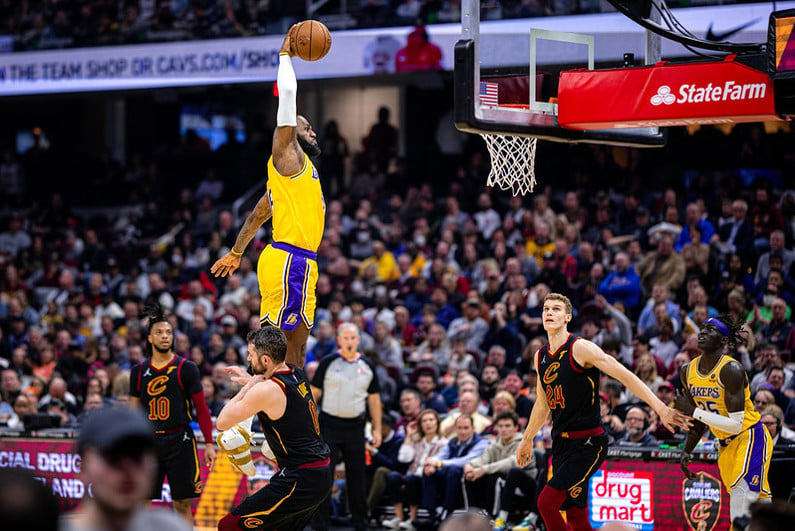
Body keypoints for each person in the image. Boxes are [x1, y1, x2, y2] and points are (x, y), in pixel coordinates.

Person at [209, 25, 326, 476]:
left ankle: (263, 430)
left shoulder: (295, 182)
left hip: (294, 263)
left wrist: (237, 251)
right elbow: (288, 103)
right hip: (290, 262)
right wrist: (285, 57)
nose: (308, 127)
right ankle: (252, 428)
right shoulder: (288, 158)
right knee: (283, 357)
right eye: (304, 125)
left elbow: (259, 212)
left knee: (290, 358)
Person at [516, 293, 690, 531]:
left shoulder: (580, 348)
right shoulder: (540, 356)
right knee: (575, 515)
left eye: (556, 309)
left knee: (546, 503)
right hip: (561, 444)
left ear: (568, 317)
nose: (549, 312)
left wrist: (660, 407)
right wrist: (527, 439)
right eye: (546, 308)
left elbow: (625, 375)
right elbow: (543, 403)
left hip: (588, 444)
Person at [216, 327, 332, 531]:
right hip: (320, 472)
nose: (249, 360)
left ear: (266, 360)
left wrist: (247, 387)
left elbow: (222, 422)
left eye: (251, 356)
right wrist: (252, 381)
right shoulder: (296, 373)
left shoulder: (267, 389)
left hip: (300, 479)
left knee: (229, 525)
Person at [674, 315, 773, 526]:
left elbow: (735, 423)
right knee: (760, 509)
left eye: (710, 330)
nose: (701, 332)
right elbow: (698, 422)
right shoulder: (687, 371)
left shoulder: (731, 370)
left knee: (741, 500)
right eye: (701, 328)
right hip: (725, 445)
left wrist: (692, 411)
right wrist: (687, 450)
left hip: (749, 437)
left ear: (723, 341)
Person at [129, 303, 216, 525]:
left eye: (169, 332)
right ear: (149, 338)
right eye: (159, 332)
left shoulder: (186, 368)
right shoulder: (138, 371)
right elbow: (133, 412)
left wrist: (208, 443)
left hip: (181, 440)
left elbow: (202, 409)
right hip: (150, 442)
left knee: (182, 503)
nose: (165, 336)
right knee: (142, 501)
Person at [61, 406, 192, 531]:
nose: (128, 470)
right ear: (83, 467)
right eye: (113, 457)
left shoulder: (171, 527)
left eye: (138, 457)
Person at [310, 322, 383, 531]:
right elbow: (314, 394)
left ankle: (360, 521)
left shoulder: (368, 366)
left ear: (358, 341)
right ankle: (320, 522)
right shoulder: (328, 362)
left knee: (357, 476)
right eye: (346, 338)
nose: (349, 342)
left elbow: (375, 400)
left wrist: (376, 428)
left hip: (355, 427)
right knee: (324, 474)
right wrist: (309, 423)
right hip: (328, 425)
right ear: (339, 340)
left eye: (353, 338)